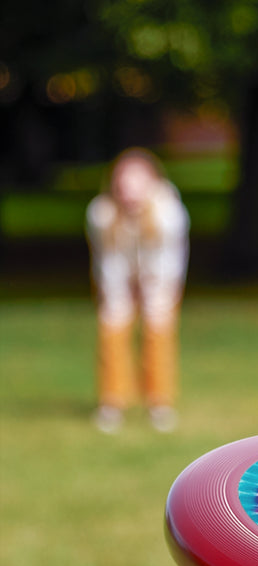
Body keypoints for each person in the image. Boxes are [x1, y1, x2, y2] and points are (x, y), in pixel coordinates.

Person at [86, 147, 190, 433]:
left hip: (159, 278)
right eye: (123, 182)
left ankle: (159, 403)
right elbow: (108, 260)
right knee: (112, 327)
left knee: (158, 331)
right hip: (117, 276)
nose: (129, 190)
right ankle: (112, 402)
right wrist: (118, 295)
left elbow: (169, 260)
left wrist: (153, 291)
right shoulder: (101, 213)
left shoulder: (169, 213)